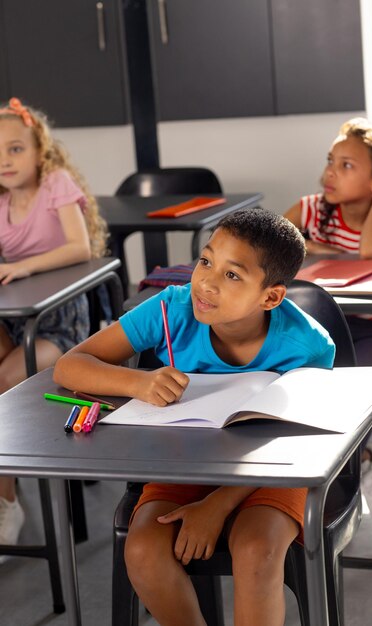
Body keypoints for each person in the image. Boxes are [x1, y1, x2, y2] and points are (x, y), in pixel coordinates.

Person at [54, 207, 335, 626]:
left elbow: (301, 445)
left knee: (257, 549)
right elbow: (69, 366)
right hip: (185, 460)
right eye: (206, 261)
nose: (206, 281)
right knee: (143, 549)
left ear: (271, 297)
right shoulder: (171, 310)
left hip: (273, 466)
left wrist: (217, 505)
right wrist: (138, 382)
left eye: (232, 275)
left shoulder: (308, 346)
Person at [284, 117, 372, 524]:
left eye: (346, 165)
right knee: (298, 384)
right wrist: (315, 244)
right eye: (330, 160)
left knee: (350, 388)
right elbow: (272, 245)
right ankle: (360, 459)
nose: (330, 172)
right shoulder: (310, 209)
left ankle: (355, 462)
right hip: (321, 327)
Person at [0, 97, 108, 548]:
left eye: (15, 148)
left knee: (6, 380)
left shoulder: (57, 184)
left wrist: (25, 267)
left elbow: (80, 248)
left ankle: (6, 500)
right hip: (15, 318)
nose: (5, 160)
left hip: (59, 322)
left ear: (40, 152)